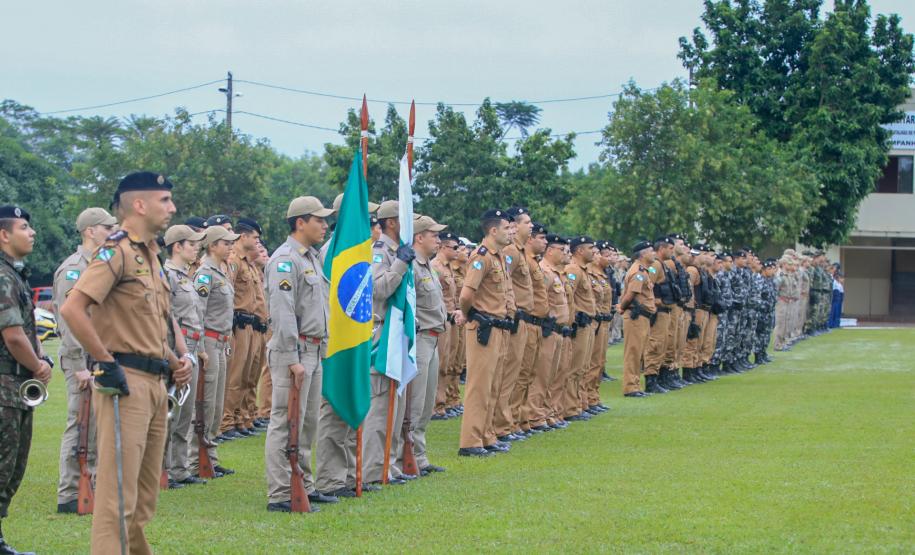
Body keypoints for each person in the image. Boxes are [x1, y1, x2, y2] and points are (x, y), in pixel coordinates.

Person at [61, 172, 192, 554]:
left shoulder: (149, 255)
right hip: (126, 381)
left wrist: (173, 360)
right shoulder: (115, 251)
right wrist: (104, 361)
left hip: (154, 381)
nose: (172, 208)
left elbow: (144, 324)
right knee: (118, 495)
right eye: (165, 200)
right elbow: (73, 308)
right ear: (139, 204)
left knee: (144, 495)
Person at [264, 196, 336, 512]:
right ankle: (281, 492)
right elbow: (282, 313)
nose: (324, 225)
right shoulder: (285, 259)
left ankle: (303, 484)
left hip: (313, 348)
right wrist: (292, 357)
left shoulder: (311, 258)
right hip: (292, 351)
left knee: (307, 423)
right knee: (285, 420)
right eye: (318, 220)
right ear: (300, 222)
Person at [53, 207, 117, 513]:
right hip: (81, 359)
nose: (113, 232)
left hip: (100, 357)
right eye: (107, 227)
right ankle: (69, 493)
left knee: (96, 426)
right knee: (80, 423)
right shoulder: (74, 270)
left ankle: (89, 485)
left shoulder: (101, 265)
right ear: (90, 231)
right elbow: (68, 322)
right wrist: (79, 367)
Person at [0, 205, 52, 555]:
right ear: (4, 235)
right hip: (6, 383)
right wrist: (37, 365)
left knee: (11, 468)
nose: (31, 232)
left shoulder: (14, 274)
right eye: (23, 226)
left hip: (14, 386)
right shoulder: (3, 277)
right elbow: (13, 335)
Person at [365, 200, 415, 484]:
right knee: (380, 405)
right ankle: (374, 469)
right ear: (392, 222)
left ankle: (390, 465)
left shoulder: (399, 252)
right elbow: (379, 289)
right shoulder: (380, 252)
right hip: (382, 333)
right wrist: (400, 264)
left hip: (398, 334)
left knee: (396, 405)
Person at [458, 210, 513, 457]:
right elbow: (466, 295)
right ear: (493, 230)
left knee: (493, 385)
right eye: (506, 228)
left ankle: (486, 435)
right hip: (484, 327)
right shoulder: (481, 257)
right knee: (479, 386)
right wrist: (472, 314)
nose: (509, 232)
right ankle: (470, 441)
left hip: (498, 326)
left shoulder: (498, 257)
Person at [398, 215, 450, 475]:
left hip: (433, 338)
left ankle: (419, 455)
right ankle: (405, 456)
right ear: (419, 237)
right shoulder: (411, 267)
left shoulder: (427, 266)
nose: (438, 239)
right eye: (434, 234)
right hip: (418, 339)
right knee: (414, 402)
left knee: (427, 402)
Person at [162, 224, 208, 489]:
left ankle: (179, 468)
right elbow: (168, 318)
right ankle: (163, 469)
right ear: (177, 246)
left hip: (189, 347)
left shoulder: (186, 276)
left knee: (185, 411)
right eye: (192, 244)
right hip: (175, 350)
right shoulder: (168, 276)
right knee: (171, 412)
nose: (196, 248)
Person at [220, 218, 268, 439]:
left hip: (253, 325)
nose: (258, 242)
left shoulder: (248, 263)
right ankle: (227, 421)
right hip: (239, 324)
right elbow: (228, 294)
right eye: (255, 237)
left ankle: (243, 418)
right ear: (243, 236)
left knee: (249, 376)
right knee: (235, 376)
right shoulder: (234, 261)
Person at [494, 207, 535, 443]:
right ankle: (501, 425)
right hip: (514, 319)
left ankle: (510, 421)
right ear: (515, 225)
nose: (530, 226)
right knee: (508, 375)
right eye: (526, 223)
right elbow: (502, 285)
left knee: (519, 374)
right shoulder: (510, 252)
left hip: (524, 319)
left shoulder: (520, 252)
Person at [564, 236, 597, 414]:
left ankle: (580, 403)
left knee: (583, 367)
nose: (594, 251)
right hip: (579, 324)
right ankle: (570, 408)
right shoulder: (573, 270)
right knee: (575, 368)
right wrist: (575, 317)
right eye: (590, 248)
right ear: (580, 251)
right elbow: (568, 296)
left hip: (588, 324)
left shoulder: (584, 270)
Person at [620, 241, 657, 397]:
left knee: (639, 352)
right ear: (643, 254)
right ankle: (630, 387)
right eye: (651, 251)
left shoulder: (643, 270)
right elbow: (630, 294)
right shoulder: (638, 272)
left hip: (642, 316)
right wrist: (622, 307)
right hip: (636, 316)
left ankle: (635, 385)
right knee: (633, 352)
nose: (654, 253)